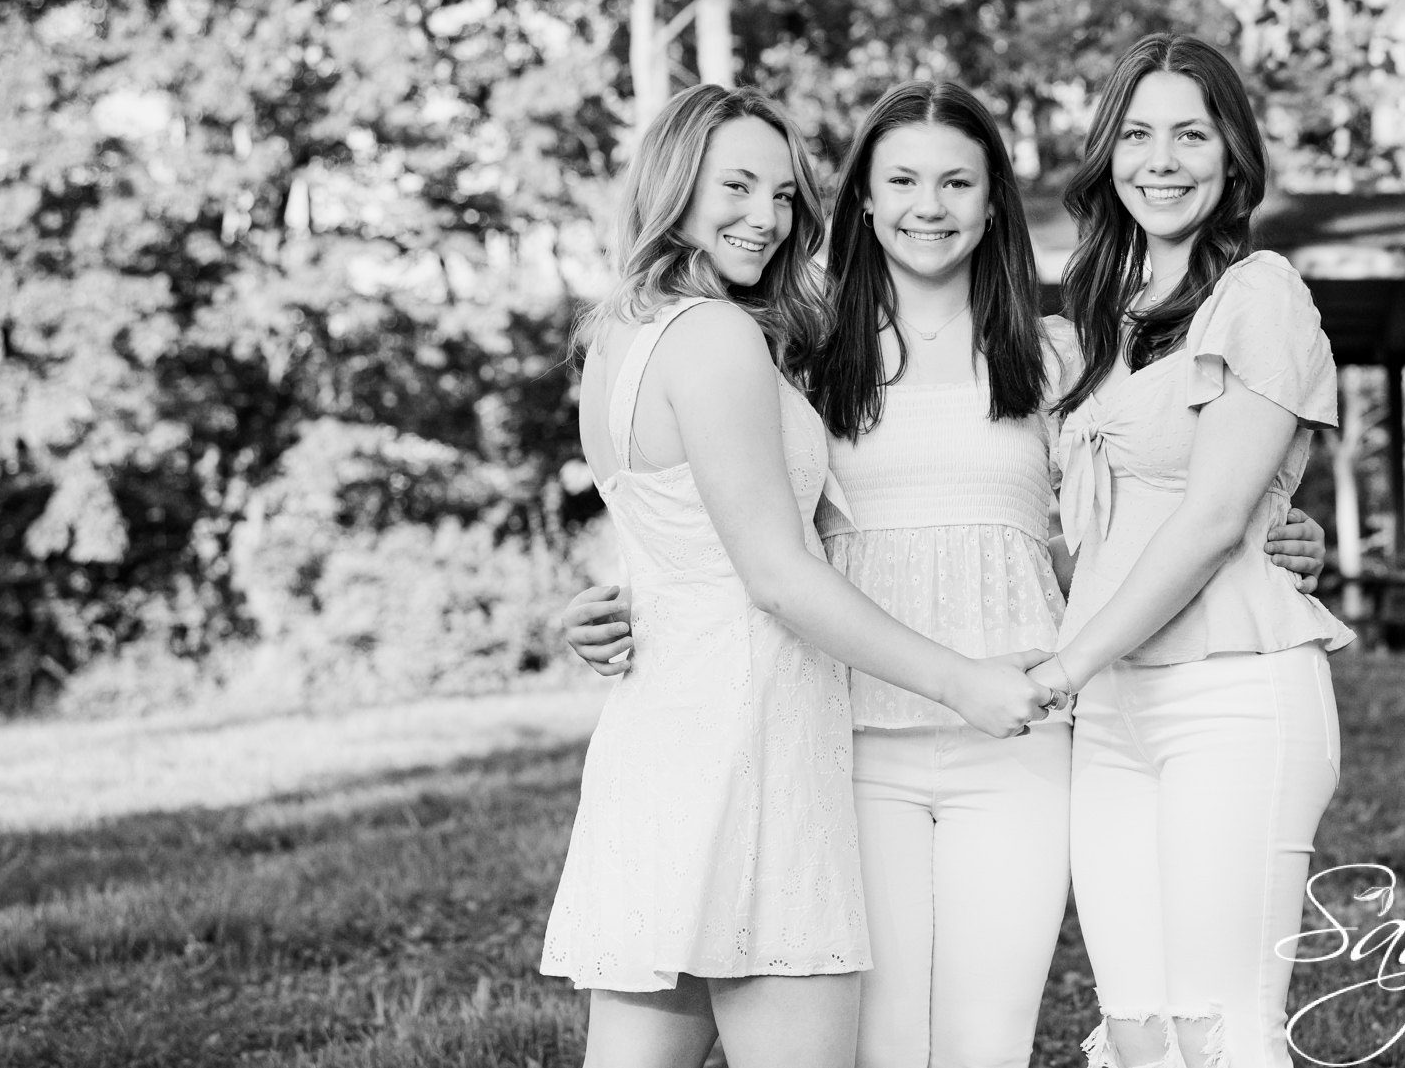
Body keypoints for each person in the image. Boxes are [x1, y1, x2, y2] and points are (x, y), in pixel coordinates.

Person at [560, 77, 1331, 1068]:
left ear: (992, 204)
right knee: (875, 1043)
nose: (930, 205)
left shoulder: (1059, 358)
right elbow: (711, 515)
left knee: (984, 1038)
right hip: (849, 738)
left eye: (958, 182)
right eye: (902, 181)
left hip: (1016, 732)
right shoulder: (799, 355)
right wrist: (601, 601)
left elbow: (1159, 490)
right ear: (865, 203)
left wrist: (1278, 524)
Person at [538, 83, 1056, 1068]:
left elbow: (669, 526)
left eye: (781, 196)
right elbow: (774, 576)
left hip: (659, 741)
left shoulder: (619, 338)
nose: (766, 219)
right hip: (754, 737)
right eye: (735, 186)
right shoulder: (722, 338)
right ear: (673, 184)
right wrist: (966, 678)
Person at [1025, 33, 1354, 1068]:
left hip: (1232, 697)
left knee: (1223, 1036)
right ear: (1105, 155)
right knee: (1137, 1035)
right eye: (1135, 134)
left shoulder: (1259, 293)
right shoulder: (1094, 326)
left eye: (1188, 134)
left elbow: (1212, 520)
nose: (1159, 161)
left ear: (1230, 156)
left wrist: (1058, 670)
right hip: (1113, 710)